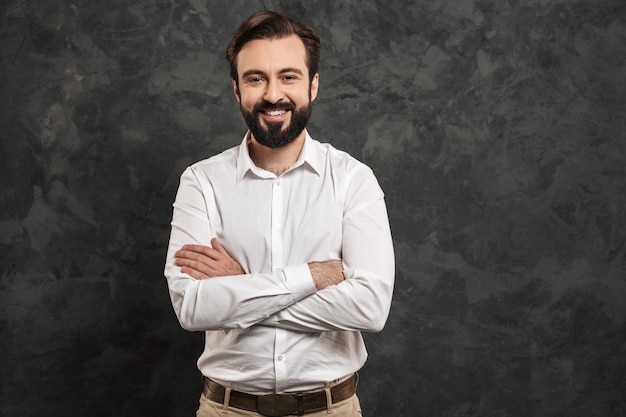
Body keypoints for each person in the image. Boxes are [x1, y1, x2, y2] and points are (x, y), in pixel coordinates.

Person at [164, 10, 395, 417]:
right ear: (237, 89)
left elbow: (370, 309)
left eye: (288, 77)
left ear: (313, 85)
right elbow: (193, 307)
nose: (273, 94)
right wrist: (310, 276)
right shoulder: (201, 182)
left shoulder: (353, 180)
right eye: (256, 78)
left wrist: (240, 286)